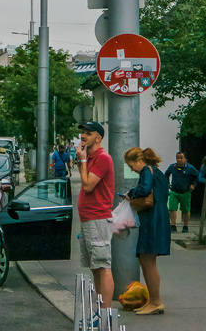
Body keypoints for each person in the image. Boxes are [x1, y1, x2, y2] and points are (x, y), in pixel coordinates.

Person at [124, 147, 170, 316]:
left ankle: (156, 302)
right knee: (145, 259)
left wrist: (130, 193)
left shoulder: (146, 170)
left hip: (153, 219)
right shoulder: (157, 171)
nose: (131, 169)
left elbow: (144, 190)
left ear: (139, 161)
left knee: (148, 260)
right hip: (158, 217)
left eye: (131, 165)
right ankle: (152, 301)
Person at [75, 121, 114, 314]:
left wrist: (82, 161)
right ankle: (99, 310)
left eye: (88, 133)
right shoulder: (90, 158)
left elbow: (88, 185)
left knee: (103, 265)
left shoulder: (102, 158)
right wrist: (83, 160)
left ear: (98, 137)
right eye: (82, 132)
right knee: (95, 266)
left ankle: (105, 314)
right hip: (89, 219)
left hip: (98, 218)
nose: (83, 136)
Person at [164, 151, 199, 233]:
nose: (179, 160)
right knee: (172, 208)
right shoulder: (172, 167)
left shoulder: (190, 168)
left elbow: (197, 176)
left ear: (185, 159)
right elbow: (166, 174)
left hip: (185, 192)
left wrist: (193, 184)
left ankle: (185, 226)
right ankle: (173, 225)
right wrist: (167, 183)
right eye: (177, 158)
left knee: (185, 210)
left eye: (181, 158)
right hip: (174, 191)